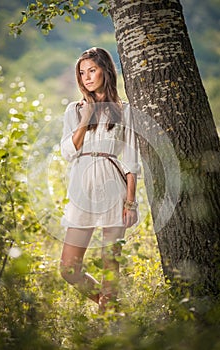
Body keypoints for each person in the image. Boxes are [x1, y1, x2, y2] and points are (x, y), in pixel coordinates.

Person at [60, 47, 140, 312]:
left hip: (113, 188)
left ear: (105, 70)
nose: (86, 77)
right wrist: (85, 120)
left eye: (92, 70)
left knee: (110, 265)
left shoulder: (124, 111)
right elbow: (68, 153)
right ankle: (106, 305)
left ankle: (112, 320)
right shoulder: (74, 109)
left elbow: (130, 159)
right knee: (68, 269)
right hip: (82, 190)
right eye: (82, 73)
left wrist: (131, 202)